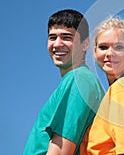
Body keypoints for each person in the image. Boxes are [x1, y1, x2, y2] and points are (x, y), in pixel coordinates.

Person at [24, 9, 104, 154]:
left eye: (66, 37)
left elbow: (61, 150)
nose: (57, 44)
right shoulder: (77, 79)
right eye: (52, 37)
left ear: (85, 44)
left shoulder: (79, 79)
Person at [80, 17, 124, 155]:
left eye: (118, 47)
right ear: (95, 52)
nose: (110, 53)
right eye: (103, 47)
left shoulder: (123, 88)